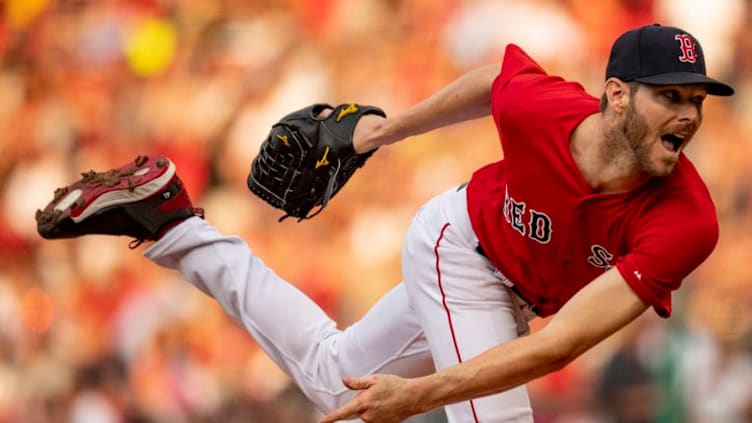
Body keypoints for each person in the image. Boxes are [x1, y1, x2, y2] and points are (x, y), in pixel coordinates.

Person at [36, 23, 734, 423]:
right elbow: (496, 84)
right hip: (461, 248)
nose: (688, 115)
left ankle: (171, 222)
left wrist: (418, 393)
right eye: (669, 96)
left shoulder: (688, 221)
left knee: (337, 379)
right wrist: (378, 131)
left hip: (518, 293)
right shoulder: (551, 111)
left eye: (696, 100)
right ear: (615, 95)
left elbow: (562, 347)